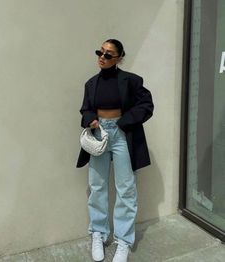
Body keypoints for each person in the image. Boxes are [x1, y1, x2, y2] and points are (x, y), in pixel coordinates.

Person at [76, 39, 154, 262]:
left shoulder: (131, 80)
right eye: (100, 51)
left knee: (126, 188)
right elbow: (85, 109)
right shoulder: (91, 83)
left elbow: (146, 105)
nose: (102, 56)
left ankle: (123, 241)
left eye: (109, 54)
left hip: (122, 135)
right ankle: (98, 233)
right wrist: (90, 119)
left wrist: (125, 122)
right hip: (99, 134)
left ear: (119, 58)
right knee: (97, 186)